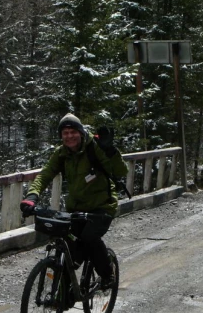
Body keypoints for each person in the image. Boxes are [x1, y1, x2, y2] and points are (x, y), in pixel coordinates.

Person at [20, 113, 128, 289]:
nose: (69, 136)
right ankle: (66, 295)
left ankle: (108, 274)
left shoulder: (95, 147)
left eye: (73, 132)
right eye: (65, 133)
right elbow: (45, 174)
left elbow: (121, 171)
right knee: (69, 248)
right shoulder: (61, 153)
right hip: (76, 208)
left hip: (102, 207)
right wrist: (32, 196)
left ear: (80, 132)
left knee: (89, 238)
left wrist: (110, 151)